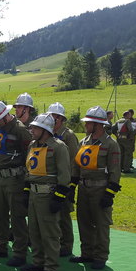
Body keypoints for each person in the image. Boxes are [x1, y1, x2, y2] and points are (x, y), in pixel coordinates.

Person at [0, 100, 32, 268]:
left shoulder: (20, 130)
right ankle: (0, 246)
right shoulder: (0, 128)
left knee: (17, 217)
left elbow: (29, 156)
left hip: (15, 179)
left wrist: (26, 183)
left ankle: (19, 253)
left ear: (4, 117)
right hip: (0, 177)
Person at [21, 114, 71, 271]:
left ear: (45, 130)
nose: (32, 130)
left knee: (49, 233)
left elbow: (64, 175)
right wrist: (26, 190)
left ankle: (50, 267)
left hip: (48, 195)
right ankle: (37, 262)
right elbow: (29, 170)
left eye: (35, 128)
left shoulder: (58, 147)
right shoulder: (32, 145)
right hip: (34, 195)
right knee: (34, 231)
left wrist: (58, 197)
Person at [70, 106, 121, 270]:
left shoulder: (111, 144)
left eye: (88, 123)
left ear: (98, 125)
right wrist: (72, 186)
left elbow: (115, 171)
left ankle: (100, 256)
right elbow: (77, 167)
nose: (86, 126)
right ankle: (87, 253)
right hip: (84, 189)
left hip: (100, 190)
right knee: (83, 222)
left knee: (101, 224)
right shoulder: (83, 142)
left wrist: (109, 194)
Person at [49, 102, 79, 257]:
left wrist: (71, 185)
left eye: (53, 116)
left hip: (65, 181)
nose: (51, 119)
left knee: (64, 214)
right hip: (52, 179)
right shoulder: (49, 134)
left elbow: (74, 161)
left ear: (60, 118)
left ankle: (66, 245)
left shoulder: (68, 135)